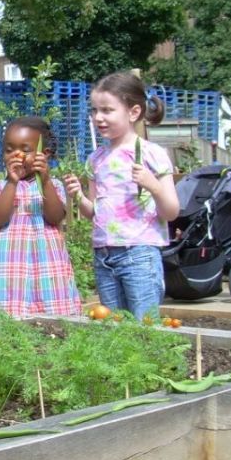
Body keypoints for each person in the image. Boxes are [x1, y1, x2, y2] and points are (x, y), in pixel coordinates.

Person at [65, 70, 179, 320]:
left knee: (145, 326)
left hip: (139, 254)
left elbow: (171, 211)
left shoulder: (151, 153)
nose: (98, 118)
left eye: (107, 110)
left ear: (133, 112)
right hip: (104, 255)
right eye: (95, 110)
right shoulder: (96, 159)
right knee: (115, 329)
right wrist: (79, 197)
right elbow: (93, 213)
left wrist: (153, 186)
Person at [0, 116, 82, 317]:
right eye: (9, 149)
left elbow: (55, 217)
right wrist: (12, 182)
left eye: (25, 149)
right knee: (12, 325)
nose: (16, 155)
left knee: (56, 323)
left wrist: (44, 179)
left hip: (49, 269)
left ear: (44, 154)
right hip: (12, 272)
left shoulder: (53, 185)